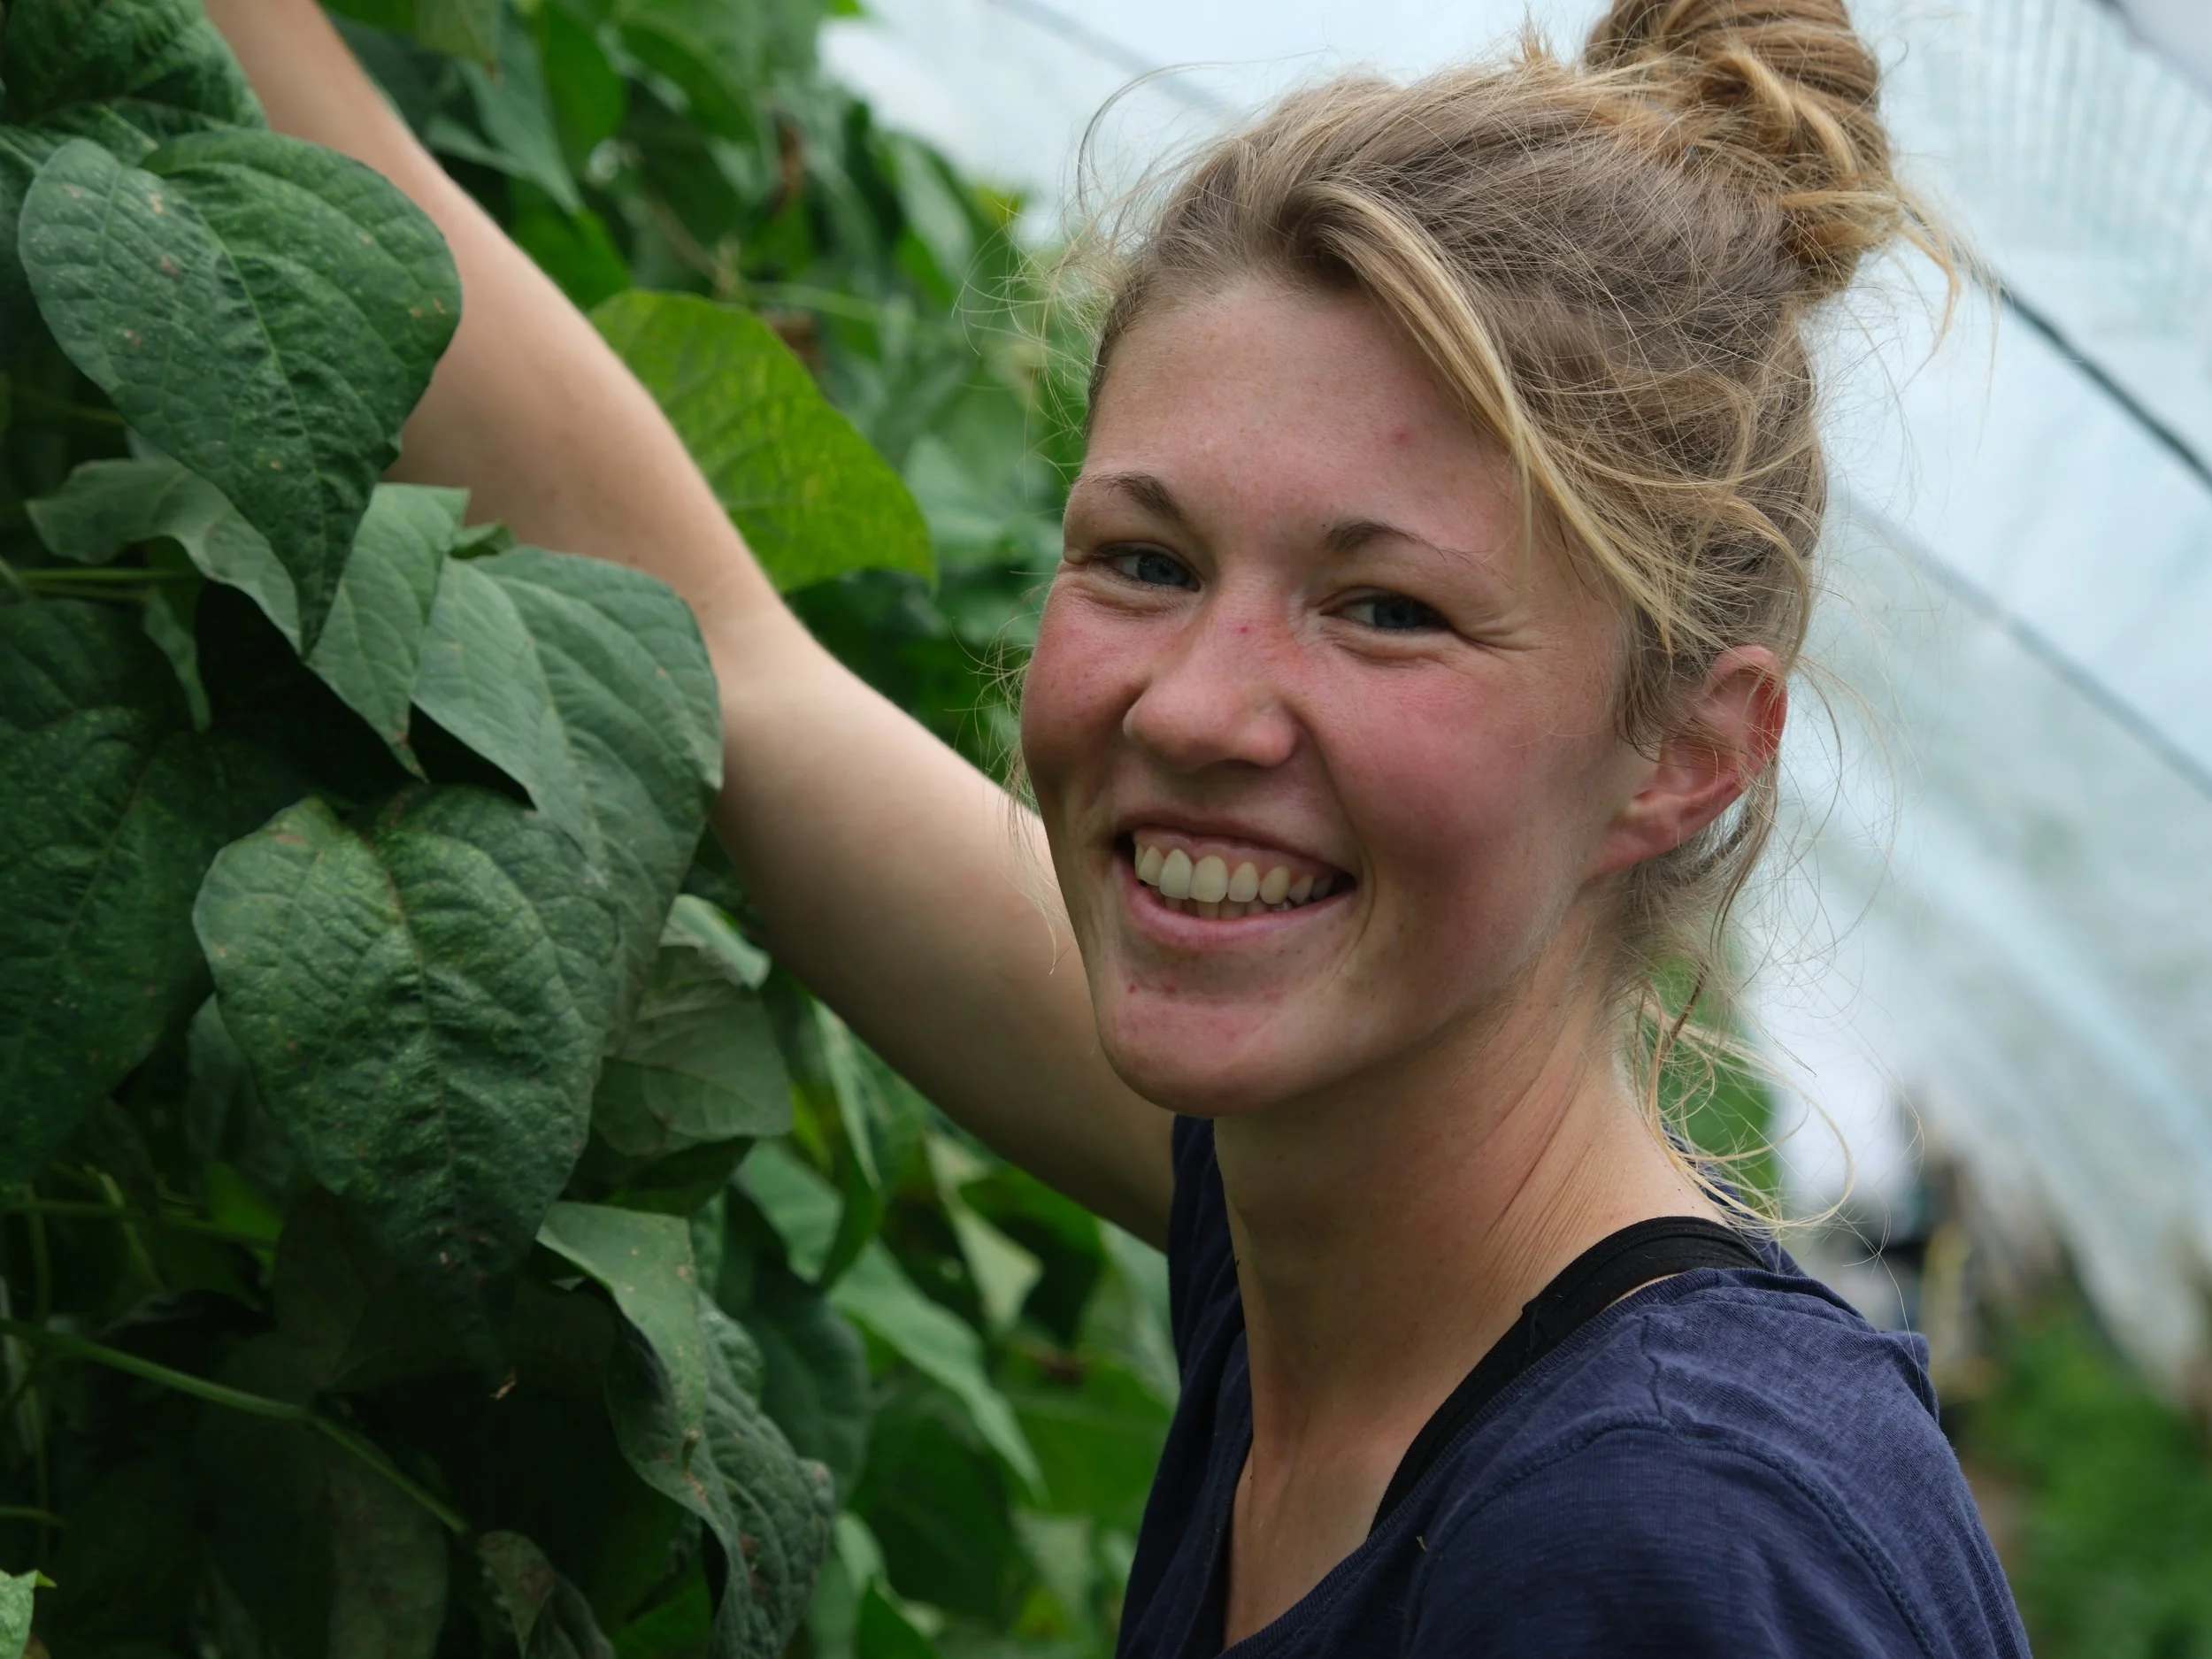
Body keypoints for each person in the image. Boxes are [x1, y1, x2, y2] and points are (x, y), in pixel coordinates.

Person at [208, 0, 2029, 1650]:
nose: (1188, 706)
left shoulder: (1645, 1550)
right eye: (1143, 563)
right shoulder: (1329, 1240)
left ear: (1682, 755)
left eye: (1380, 606)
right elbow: (717, 648)